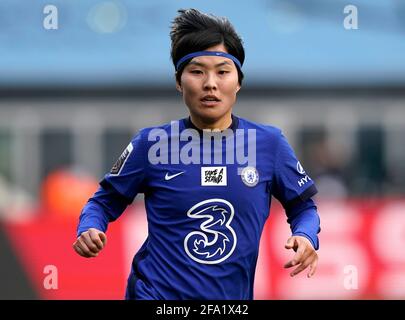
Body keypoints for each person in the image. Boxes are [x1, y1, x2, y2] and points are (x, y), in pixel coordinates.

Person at [73, 8, 321, 300]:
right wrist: (89, 227)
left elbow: (303, 207)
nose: (210, 84)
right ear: (179, 82)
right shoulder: (151, 145)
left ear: (238, 82)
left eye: (222, 72)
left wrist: (306, 237)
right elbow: (104, 201)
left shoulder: (268, 144)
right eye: (197, 71)